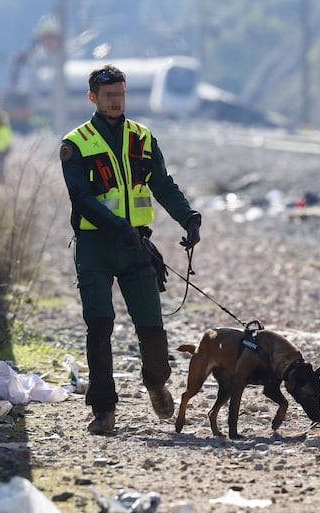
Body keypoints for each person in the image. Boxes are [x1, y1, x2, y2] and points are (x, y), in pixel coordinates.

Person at [60, 64, 202, 435]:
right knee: (100, 326)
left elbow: (163, 185)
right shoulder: (75, 144)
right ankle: (104, 409)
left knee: (152, 328)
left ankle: (156, 382)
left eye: (121, 95)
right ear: (92, 98)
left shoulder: (142, 138)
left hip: (137, 244)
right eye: (109, 96)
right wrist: (118, 227)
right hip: (95, 246)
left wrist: (188, 217)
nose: (116, 102)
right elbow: (81, 198)